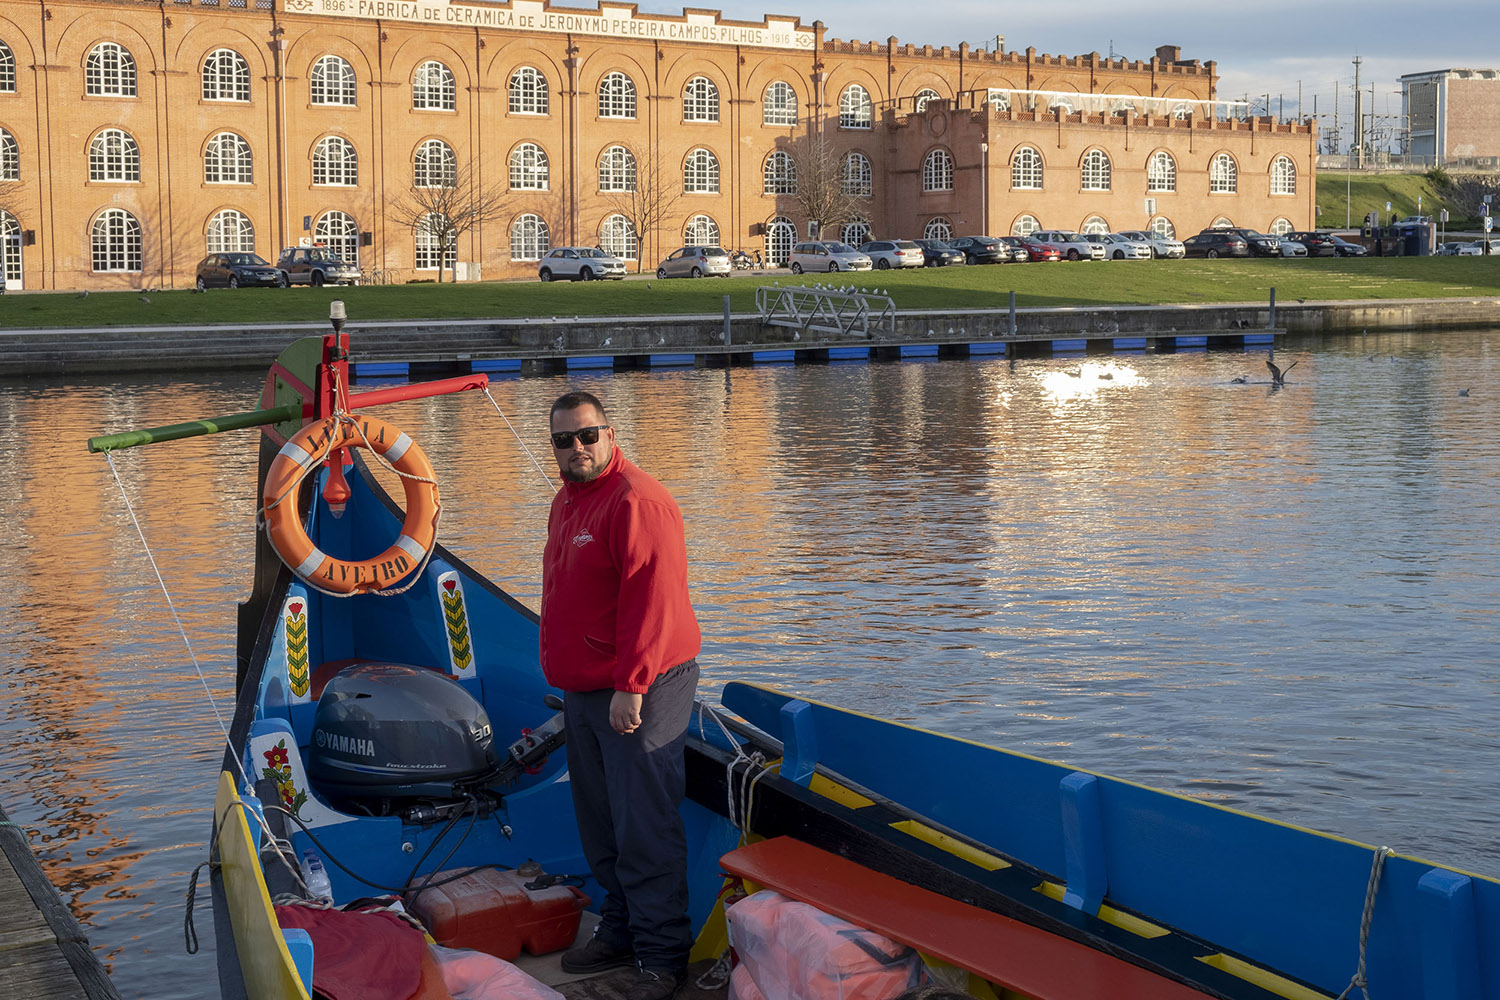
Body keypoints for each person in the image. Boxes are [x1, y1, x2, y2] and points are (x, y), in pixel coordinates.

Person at [540, 390, 702, 1000]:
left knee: (644, 826)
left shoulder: (639, 502)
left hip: (642, 685)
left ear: (609, 433)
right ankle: (622, 927)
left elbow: (651, 605)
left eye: (587, 435)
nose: (577, 448)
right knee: (601, 820)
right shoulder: (568, 499)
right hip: (585, 688)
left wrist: (630, 688)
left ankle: (662, 958)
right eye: (564, 440)